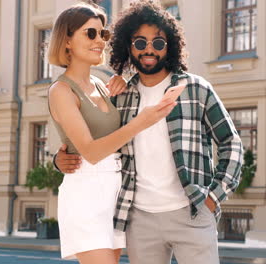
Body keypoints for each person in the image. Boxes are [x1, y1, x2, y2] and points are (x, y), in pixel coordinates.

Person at [55, 1, 244, 264]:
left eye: (158, 43)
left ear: (171, 46)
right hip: (139, 219)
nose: (149, 50)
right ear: (128, 46)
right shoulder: (120, 96)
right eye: (140, 43)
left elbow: (231, 142)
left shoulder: (196, 89)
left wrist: (212, 198)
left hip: (191, 211)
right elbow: (95, 138)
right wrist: (59, 158)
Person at [46, 3, 177, 264]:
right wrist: (143, 121)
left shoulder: (100, 84)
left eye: (103, 34)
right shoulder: (61, 91)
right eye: (90, 34)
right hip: (86, 193)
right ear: (67, 41)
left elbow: (111, 132)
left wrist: (124, 82)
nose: (100, 41)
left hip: (117, 190)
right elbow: (92, 152)